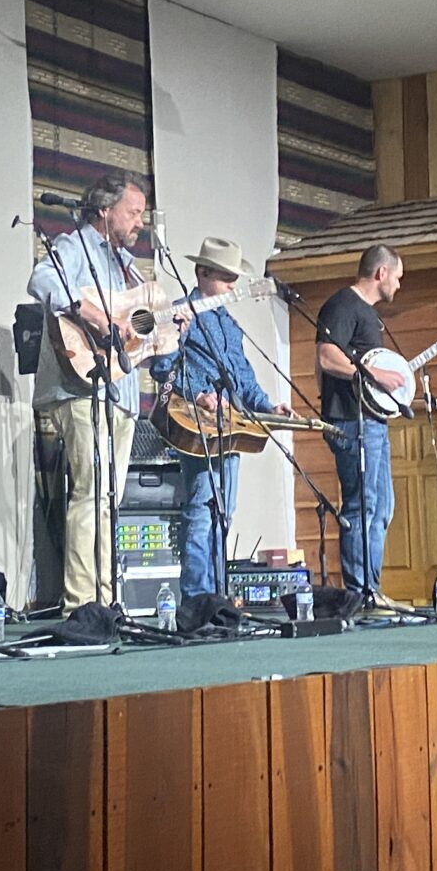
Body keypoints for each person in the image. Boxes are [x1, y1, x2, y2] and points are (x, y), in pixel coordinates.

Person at [28, 171, 150, 609]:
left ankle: (105, 597)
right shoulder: (75, 245)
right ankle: (81, 602)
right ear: (104, 210)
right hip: (81, 386)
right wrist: (95, 316)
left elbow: (138, 330)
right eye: (133, 212)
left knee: (109, 500)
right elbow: (42, 279)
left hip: (121, 392)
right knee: (91, 493)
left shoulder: (127, 267)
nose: (140, 222)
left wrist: (169, 327)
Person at [159, 236, 281, 600]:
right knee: (202, 506)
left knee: (223, 511)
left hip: (229, 427)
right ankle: (198, 597)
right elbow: (163, 368)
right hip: (197, 425)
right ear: (202, 274)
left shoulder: (229, 324)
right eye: (226, 277)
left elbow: (242, 377)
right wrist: (197, 392)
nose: (232, 284)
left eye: (234, 277)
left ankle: (217, 593)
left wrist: (268, 407)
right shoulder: (179, 314)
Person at [315, 243, 408, 607]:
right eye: (397, 277)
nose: (398, 285)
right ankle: (360, 593)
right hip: (352, 422)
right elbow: (326, 357)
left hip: (373, 421)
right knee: (361, 506)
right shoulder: (343, 305)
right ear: (381, 273)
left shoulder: (367, 314)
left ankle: (372, 588)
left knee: (382, 507)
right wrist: (374, 376)